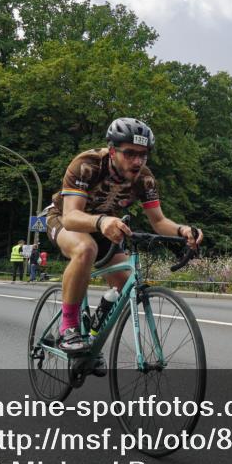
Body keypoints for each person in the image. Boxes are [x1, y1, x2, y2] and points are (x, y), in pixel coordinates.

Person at [44, 118, 203, 366]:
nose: (137, 161)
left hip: (107, 227)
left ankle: (91, 338)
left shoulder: (145, 179)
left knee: (125, 281)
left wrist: (183, 230)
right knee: (86, 248)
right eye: (129, 153)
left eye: (143, 155)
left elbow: (159, 221)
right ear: (112, 151)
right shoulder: (86, 165)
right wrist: (101, 221)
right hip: (64, 219)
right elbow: (72, 216)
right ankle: (69, 328)